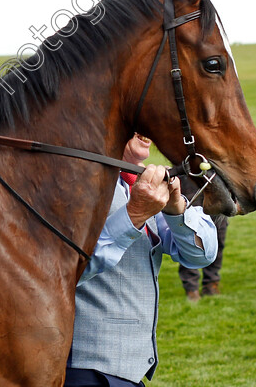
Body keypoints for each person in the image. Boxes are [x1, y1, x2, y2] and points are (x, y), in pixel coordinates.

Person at [65, 134, 218, 386]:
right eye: (134, 122)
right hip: (84, 368)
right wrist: (134, 214)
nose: (144, 132)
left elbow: (201, 255)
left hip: (128, 371)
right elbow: (69, 271)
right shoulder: (79, 180)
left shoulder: (141, 181)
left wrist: (176, 207)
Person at [178, 214, 228, 301]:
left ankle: (211, 284)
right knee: (190, 241)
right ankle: (191, 288)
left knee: (218, 239)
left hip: (218, 203)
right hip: (193, 201)